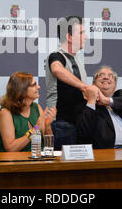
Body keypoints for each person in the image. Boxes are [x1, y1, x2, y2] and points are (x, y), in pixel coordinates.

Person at [45, 15, 97, 149]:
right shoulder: (56, 56)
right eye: (81, 33)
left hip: (80, 123)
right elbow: (57, 69)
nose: (85, 37)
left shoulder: (78, 60)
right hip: (61, 124)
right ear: (69, 37)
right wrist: (85, 87)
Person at [77, 66, 122, 149]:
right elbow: (84, 134)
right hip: (110, 151)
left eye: (111, 76)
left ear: (115, 86)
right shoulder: (88, 104)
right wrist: (91, 101)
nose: (106, 77)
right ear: (93, 84)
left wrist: (106, 100)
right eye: (100, 75)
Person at [0, 72, 56, 152]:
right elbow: (11, 148)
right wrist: (35, 130)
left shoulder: (37, 107)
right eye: (34, 85)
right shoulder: (6, 113)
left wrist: (47, 125)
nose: (38, 87)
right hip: (15, 162)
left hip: (38, 160)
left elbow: (48, 146)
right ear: (22, 90)